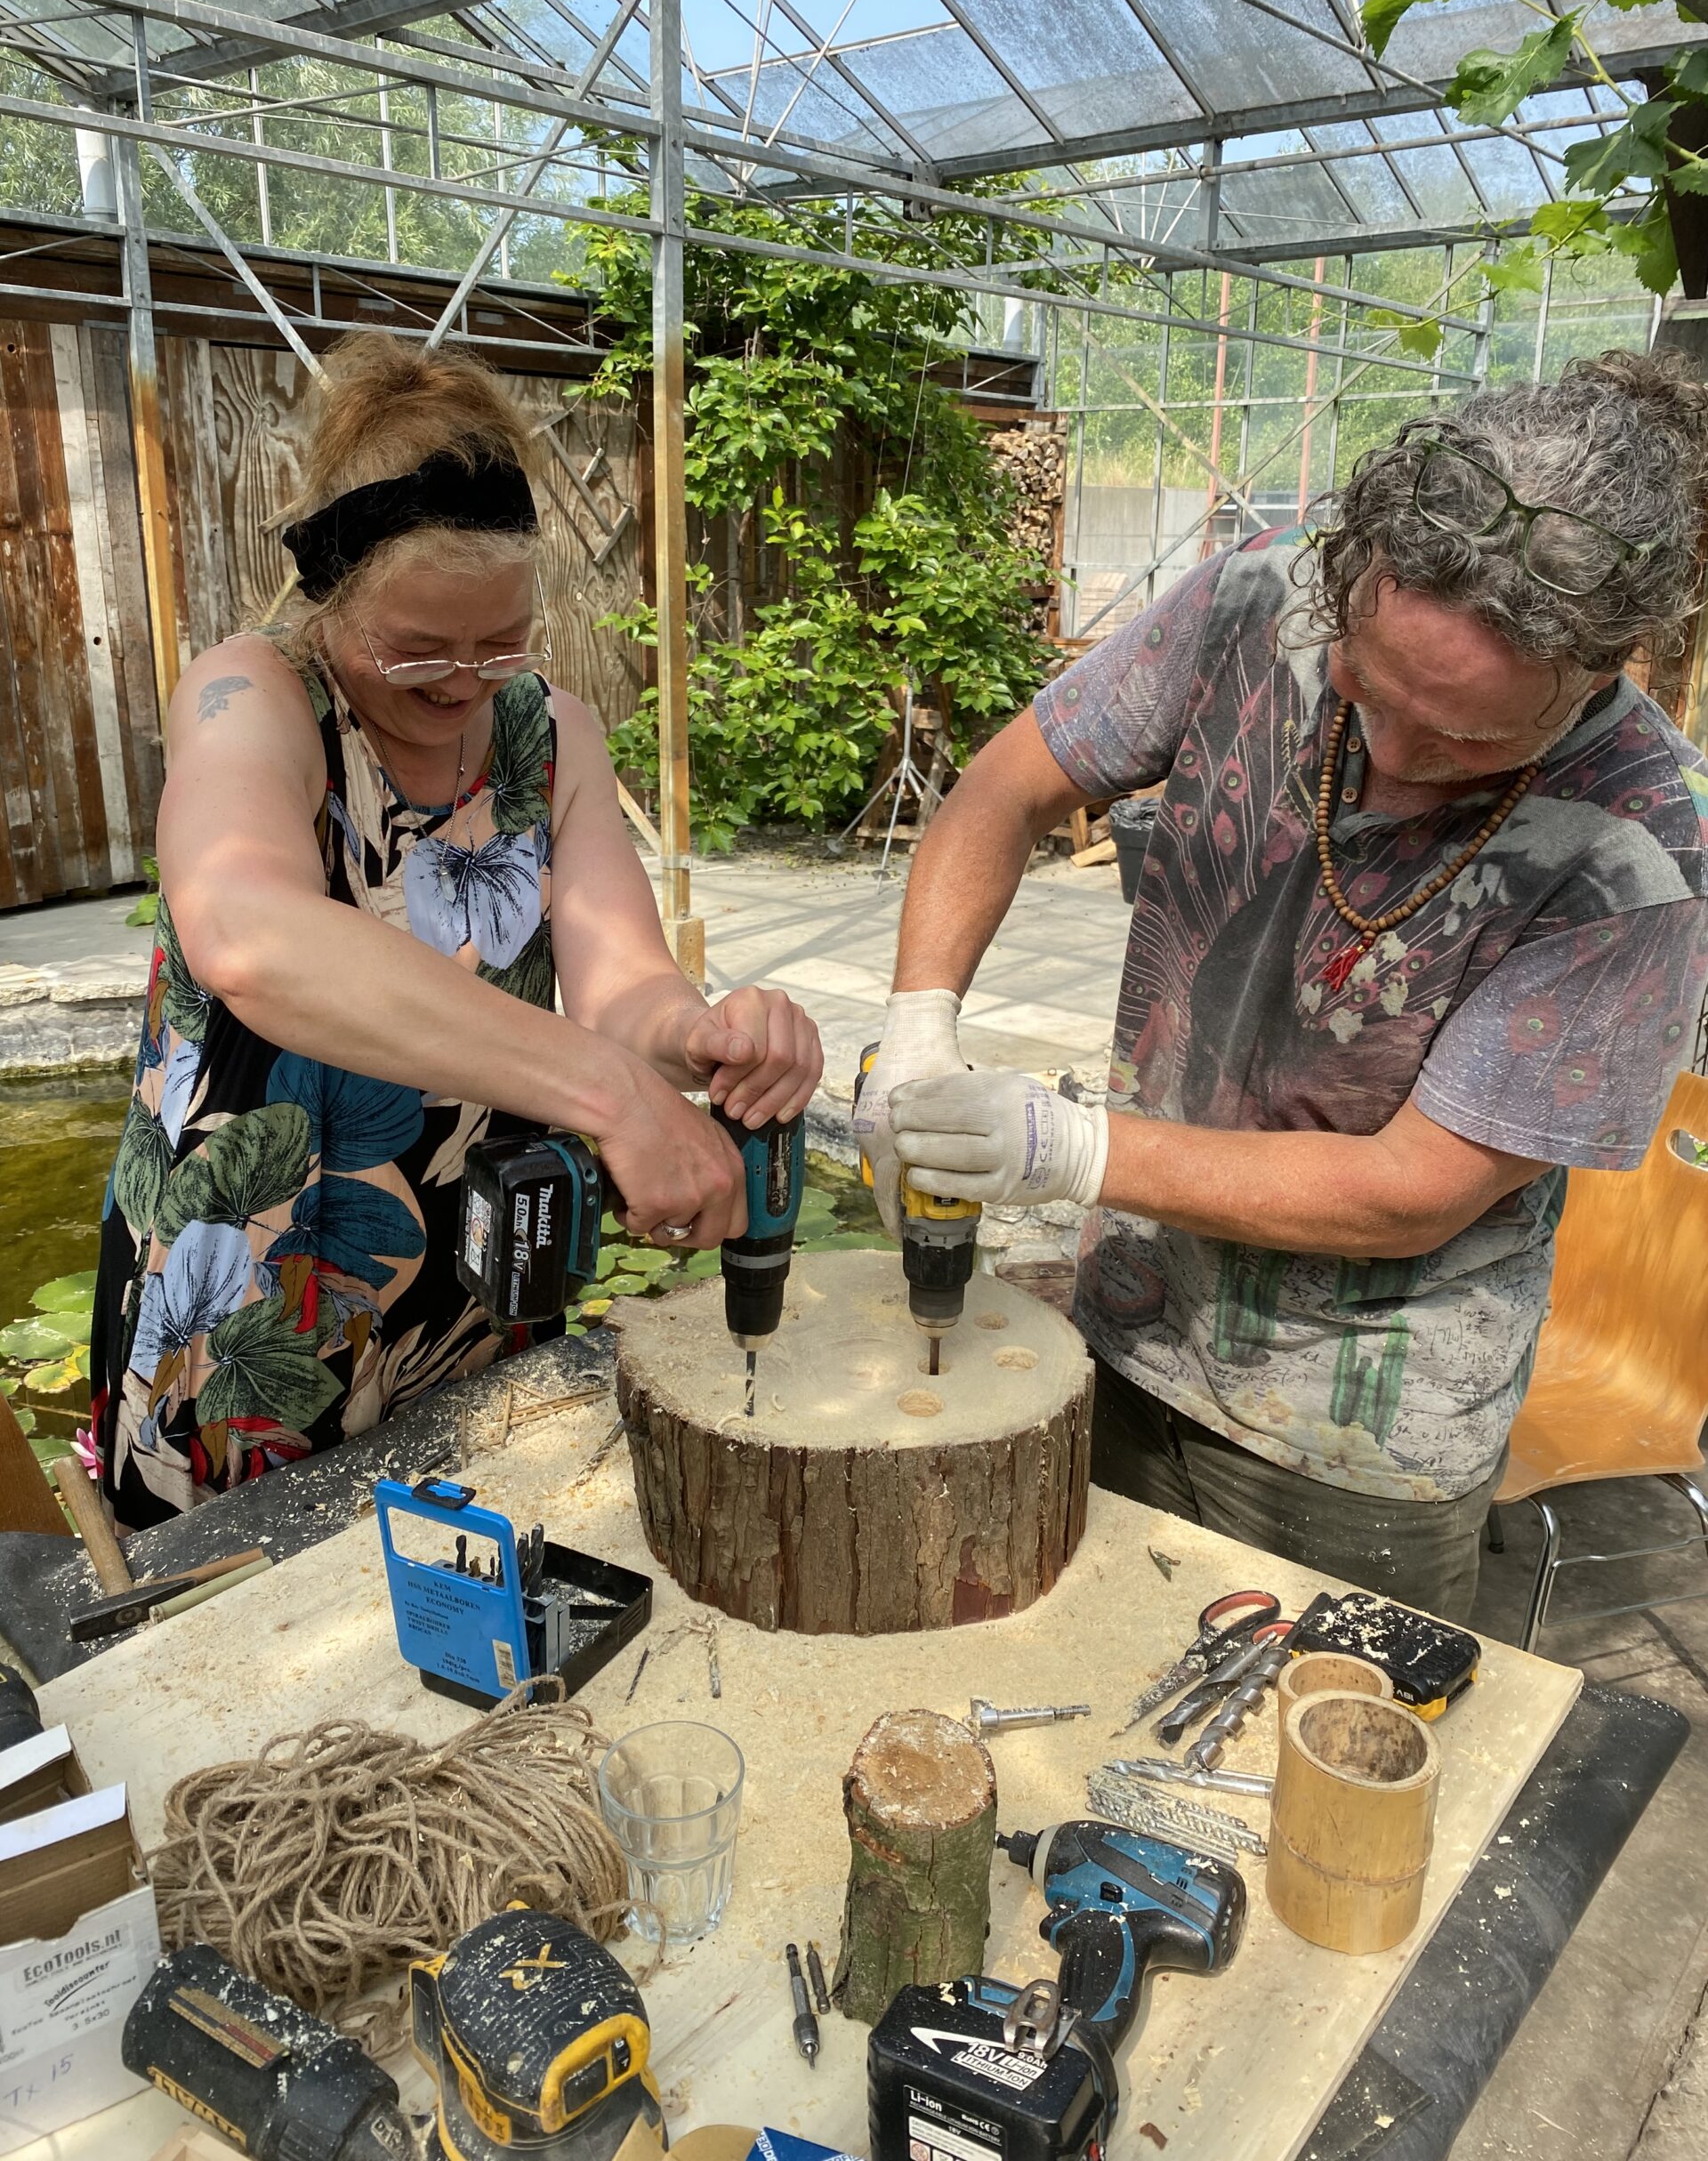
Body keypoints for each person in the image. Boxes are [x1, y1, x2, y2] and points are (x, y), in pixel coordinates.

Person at [858, 350, 1708, 1622]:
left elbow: (1411, 1193)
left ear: (1602, 669)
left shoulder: (1640, 854)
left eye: (1469, 738)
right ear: (1356, 574)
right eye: (1367, 686)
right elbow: (1004, 790)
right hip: (1129, 1315)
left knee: (1312, 1736)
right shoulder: (1258, 601)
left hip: (1358, 1435)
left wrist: (1070, 1148)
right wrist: (920, 1028)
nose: (1391, 755)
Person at [91, 336, 821, 1529]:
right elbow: (247, 932)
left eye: (499, 643)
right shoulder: (255, 698)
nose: (460, 683)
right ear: (330, 594)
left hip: (484, 1273)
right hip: (242, 1300)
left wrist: (697, 1041)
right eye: (417, 646)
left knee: (480, 1576)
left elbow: (621, 984)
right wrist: (609, 1093)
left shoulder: (553, 735)